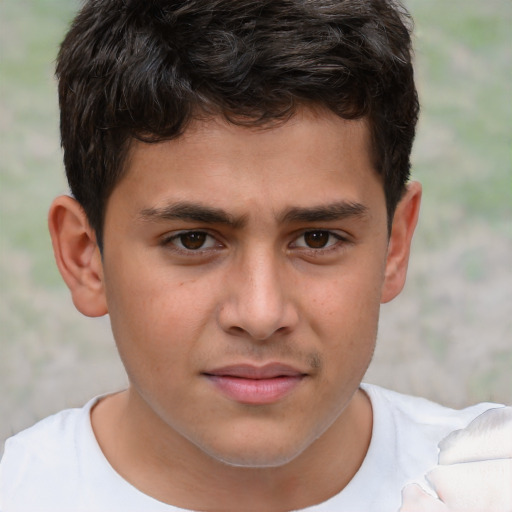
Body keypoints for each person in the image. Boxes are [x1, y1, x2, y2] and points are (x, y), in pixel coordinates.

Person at [0, 1, 507, 511]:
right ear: (85, 258)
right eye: (193, 240)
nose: (261, 314)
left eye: (317, 239)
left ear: (395, 245)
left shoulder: (489, 478)